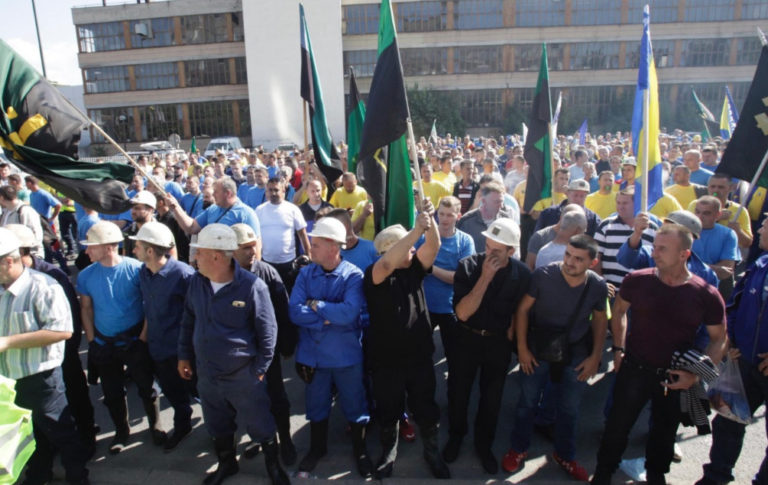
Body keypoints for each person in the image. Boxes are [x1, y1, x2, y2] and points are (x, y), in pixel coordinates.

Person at [591, 225, 727, 485]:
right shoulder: (637, 280)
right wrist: (618, 349)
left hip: (675, 377)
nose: (654, 253)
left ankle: (656, 475)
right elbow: (618, 312)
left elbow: (719, 338)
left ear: (684, 254)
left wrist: (696, 376)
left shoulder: (705, 294)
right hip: (635, 369)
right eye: (654, 247)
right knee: (616, 427)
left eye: (662, 249)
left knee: (664, 434)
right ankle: (602, 474)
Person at [177, 224, 290, 485]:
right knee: (217, 423)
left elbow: (268, 333)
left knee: (260, 422)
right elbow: (188, 320)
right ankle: (227, 464)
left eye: (200, 252)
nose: (195, 258)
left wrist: (259, 370)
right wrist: (184, 356)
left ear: (217, 256)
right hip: (207, 374)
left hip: (243, 376)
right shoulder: (197, 283)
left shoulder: (252, 287)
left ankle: (273, 466)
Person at [503, 235, 608, 481]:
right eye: (568, 254)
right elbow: (522, 310)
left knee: (569, 408)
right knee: (527, 402)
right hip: (538, 348)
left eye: (578, 259)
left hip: (575, 352)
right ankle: (518, 448)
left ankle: (565, 454)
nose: (569, 262)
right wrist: (522, 349)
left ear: (592, 262)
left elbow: (600, 319)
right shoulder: (543, 275)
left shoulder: (597, 285)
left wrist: (596, 356)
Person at [363, 201, 450, 479]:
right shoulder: (374, 274)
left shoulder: (414, 270)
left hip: (419, 356)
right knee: (389, 408)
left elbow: (433, 246)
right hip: (387, 359)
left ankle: (431, 452)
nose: (413, 250)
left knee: (425, 406)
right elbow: (388, 263)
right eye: (408, 247)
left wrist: (429, 220)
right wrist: (415, 231)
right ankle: (389, 451)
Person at [0, 228, 91, 485]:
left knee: (61, 432)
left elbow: (62, 331)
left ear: (9, 261)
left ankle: (78, 477)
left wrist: (8, 342)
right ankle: (38, 475)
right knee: (26, 432)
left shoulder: (43, 287)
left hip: (40, 378)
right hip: (9, 380)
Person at [289, 217, 373, 477]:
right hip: (314, 356)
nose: (309, 248)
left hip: (345, 356)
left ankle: (360, 451)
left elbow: (349, 313)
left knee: (355, 403)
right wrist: (328, 317)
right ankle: (317, 449)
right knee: (316, 403)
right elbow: (294, 311)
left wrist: (316, 305)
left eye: (315, 244)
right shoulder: (306, 273)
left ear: (333, 247)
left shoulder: (353, 275)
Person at [445, 218, 529, 473]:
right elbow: (462, 313)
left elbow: (520, 311)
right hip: (466, 338)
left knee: (492, 398)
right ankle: (456, 436)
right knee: (458, 392)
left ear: (511, 252)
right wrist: (485, 278)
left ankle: (484, 445)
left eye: (497, 250)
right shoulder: (468, 266)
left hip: (497, 343)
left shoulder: (521, 274)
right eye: (488, 246)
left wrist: (517, 341)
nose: (489, 254)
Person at [77, 221, 166, 454]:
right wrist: (92, 340)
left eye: (91, 246)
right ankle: (121, 431)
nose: (87, 251)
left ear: (109, 247)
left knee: (147, 387)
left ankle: (155, 425)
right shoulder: (86, 276)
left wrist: (143, 338)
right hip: (104, 343)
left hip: (134, 340)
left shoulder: (136, 270)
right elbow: (86, 308)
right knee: (112, 392)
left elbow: (149, 306)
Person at [696, 216, 768, 485]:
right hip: (744, 365)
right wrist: (731, 341)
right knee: (727, 422)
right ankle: (715, 477)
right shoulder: (759, 265)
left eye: (766, 225)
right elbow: (734, 306)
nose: (760, 229)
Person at [230, 223, 298, 466]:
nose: (252, 252)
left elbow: (283, 310)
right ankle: (260, 438)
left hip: (266, 352)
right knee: (249, 400)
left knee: (277, 397)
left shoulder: (267, 273)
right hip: (239, 353)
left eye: (253, 246)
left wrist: (287, 345)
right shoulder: (224, 274)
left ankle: (285, 440)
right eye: (245, 248)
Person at [131, 221, 195, 452]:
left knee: (200, 392)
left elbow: (198, 315)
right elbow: (149, 309)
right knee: (174, 393)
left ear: (150, 251)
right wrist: (143, 339)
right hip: (158, 349)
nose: (133, 250)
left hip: (183, 351)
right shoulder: (144, 272)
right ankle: (183, 426)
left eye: (137, 246)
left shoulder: (183, 275)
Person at [255, 177, 311, 283]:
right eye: (270, 190)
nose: (273, 193)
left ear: (283, 190)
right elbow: (256, 236)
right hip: (267, 262)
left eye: (276, 190)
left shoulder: (293, 209)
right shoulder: (259, 210)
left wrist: (309, 256)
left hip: (289, 264)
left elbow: (303, 234)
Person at [166, 176, 260, 237]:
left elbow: (254, 247)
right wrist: (175, 207)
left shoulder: (246, 214)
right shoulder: (213, 209)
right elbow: (191, 227)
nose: (213, 195)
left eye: (216, 192)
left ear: (228, 193)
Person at [457, 182, 516, 253]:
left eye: (502, 202)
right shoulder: (466, 222)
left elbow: (512, 247)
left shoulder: (506, 220)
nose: (501, 206)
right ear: (484, 201)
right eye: (497, 202)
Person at [534, 179, 600, 236]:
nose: (578, 199)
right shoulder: (549, 213)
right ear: (568, 193)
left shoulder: (593, 218)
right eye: (575, 195)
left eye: (582, 196)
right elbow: (537, 238)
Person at [0, 185, 44, 255]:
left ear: (1, 198)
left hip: (27, 255)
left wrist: (28, 255)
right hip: (11, 254)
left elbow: (36, 235)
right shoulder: (6, 211)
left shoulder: (25, 211)